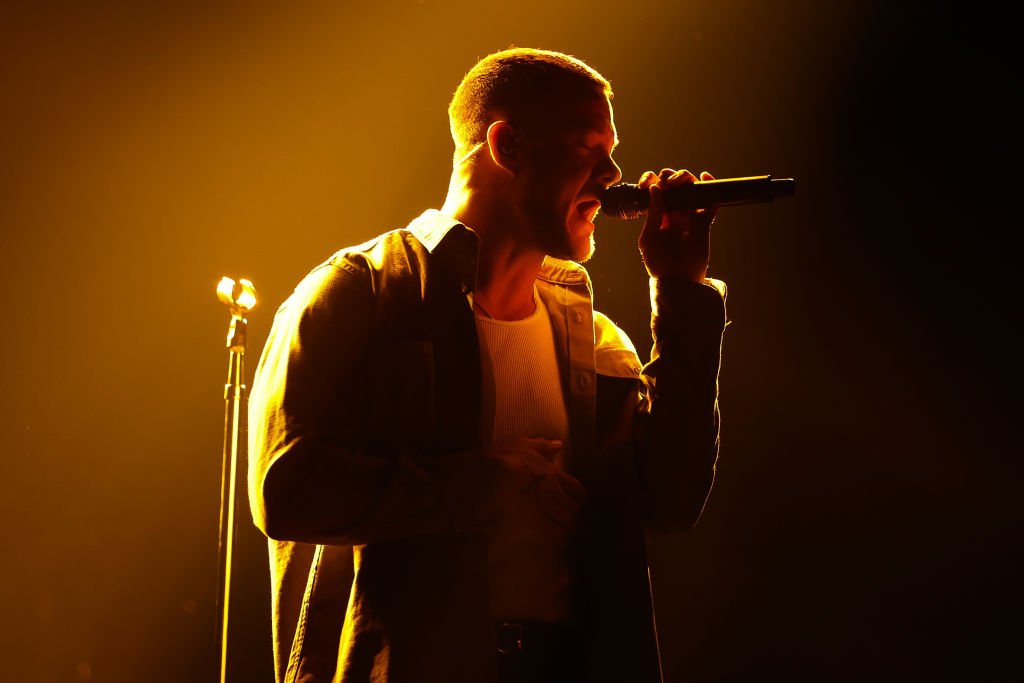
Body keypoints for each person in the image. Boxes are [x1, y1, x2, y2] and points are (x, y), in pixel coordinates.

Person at [247, 47, 727, 683]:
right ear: (508, 146)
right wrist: (481, 484)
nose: (613, 174)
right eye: (588, 146)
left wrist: (683, 291)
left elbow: (671, 500)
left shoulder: (594, 341)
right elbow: (285, 491)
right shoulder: (359, 293)